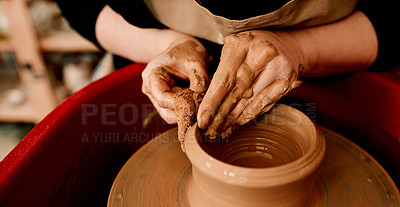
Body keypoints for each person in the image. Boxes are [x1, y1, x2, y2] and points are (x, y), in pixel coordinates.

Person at [55, 0, 398, 138]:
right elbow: (80, 3)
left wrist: (303, 48)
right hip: (165, 62)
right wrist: (164, 45)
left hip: (337, 66)